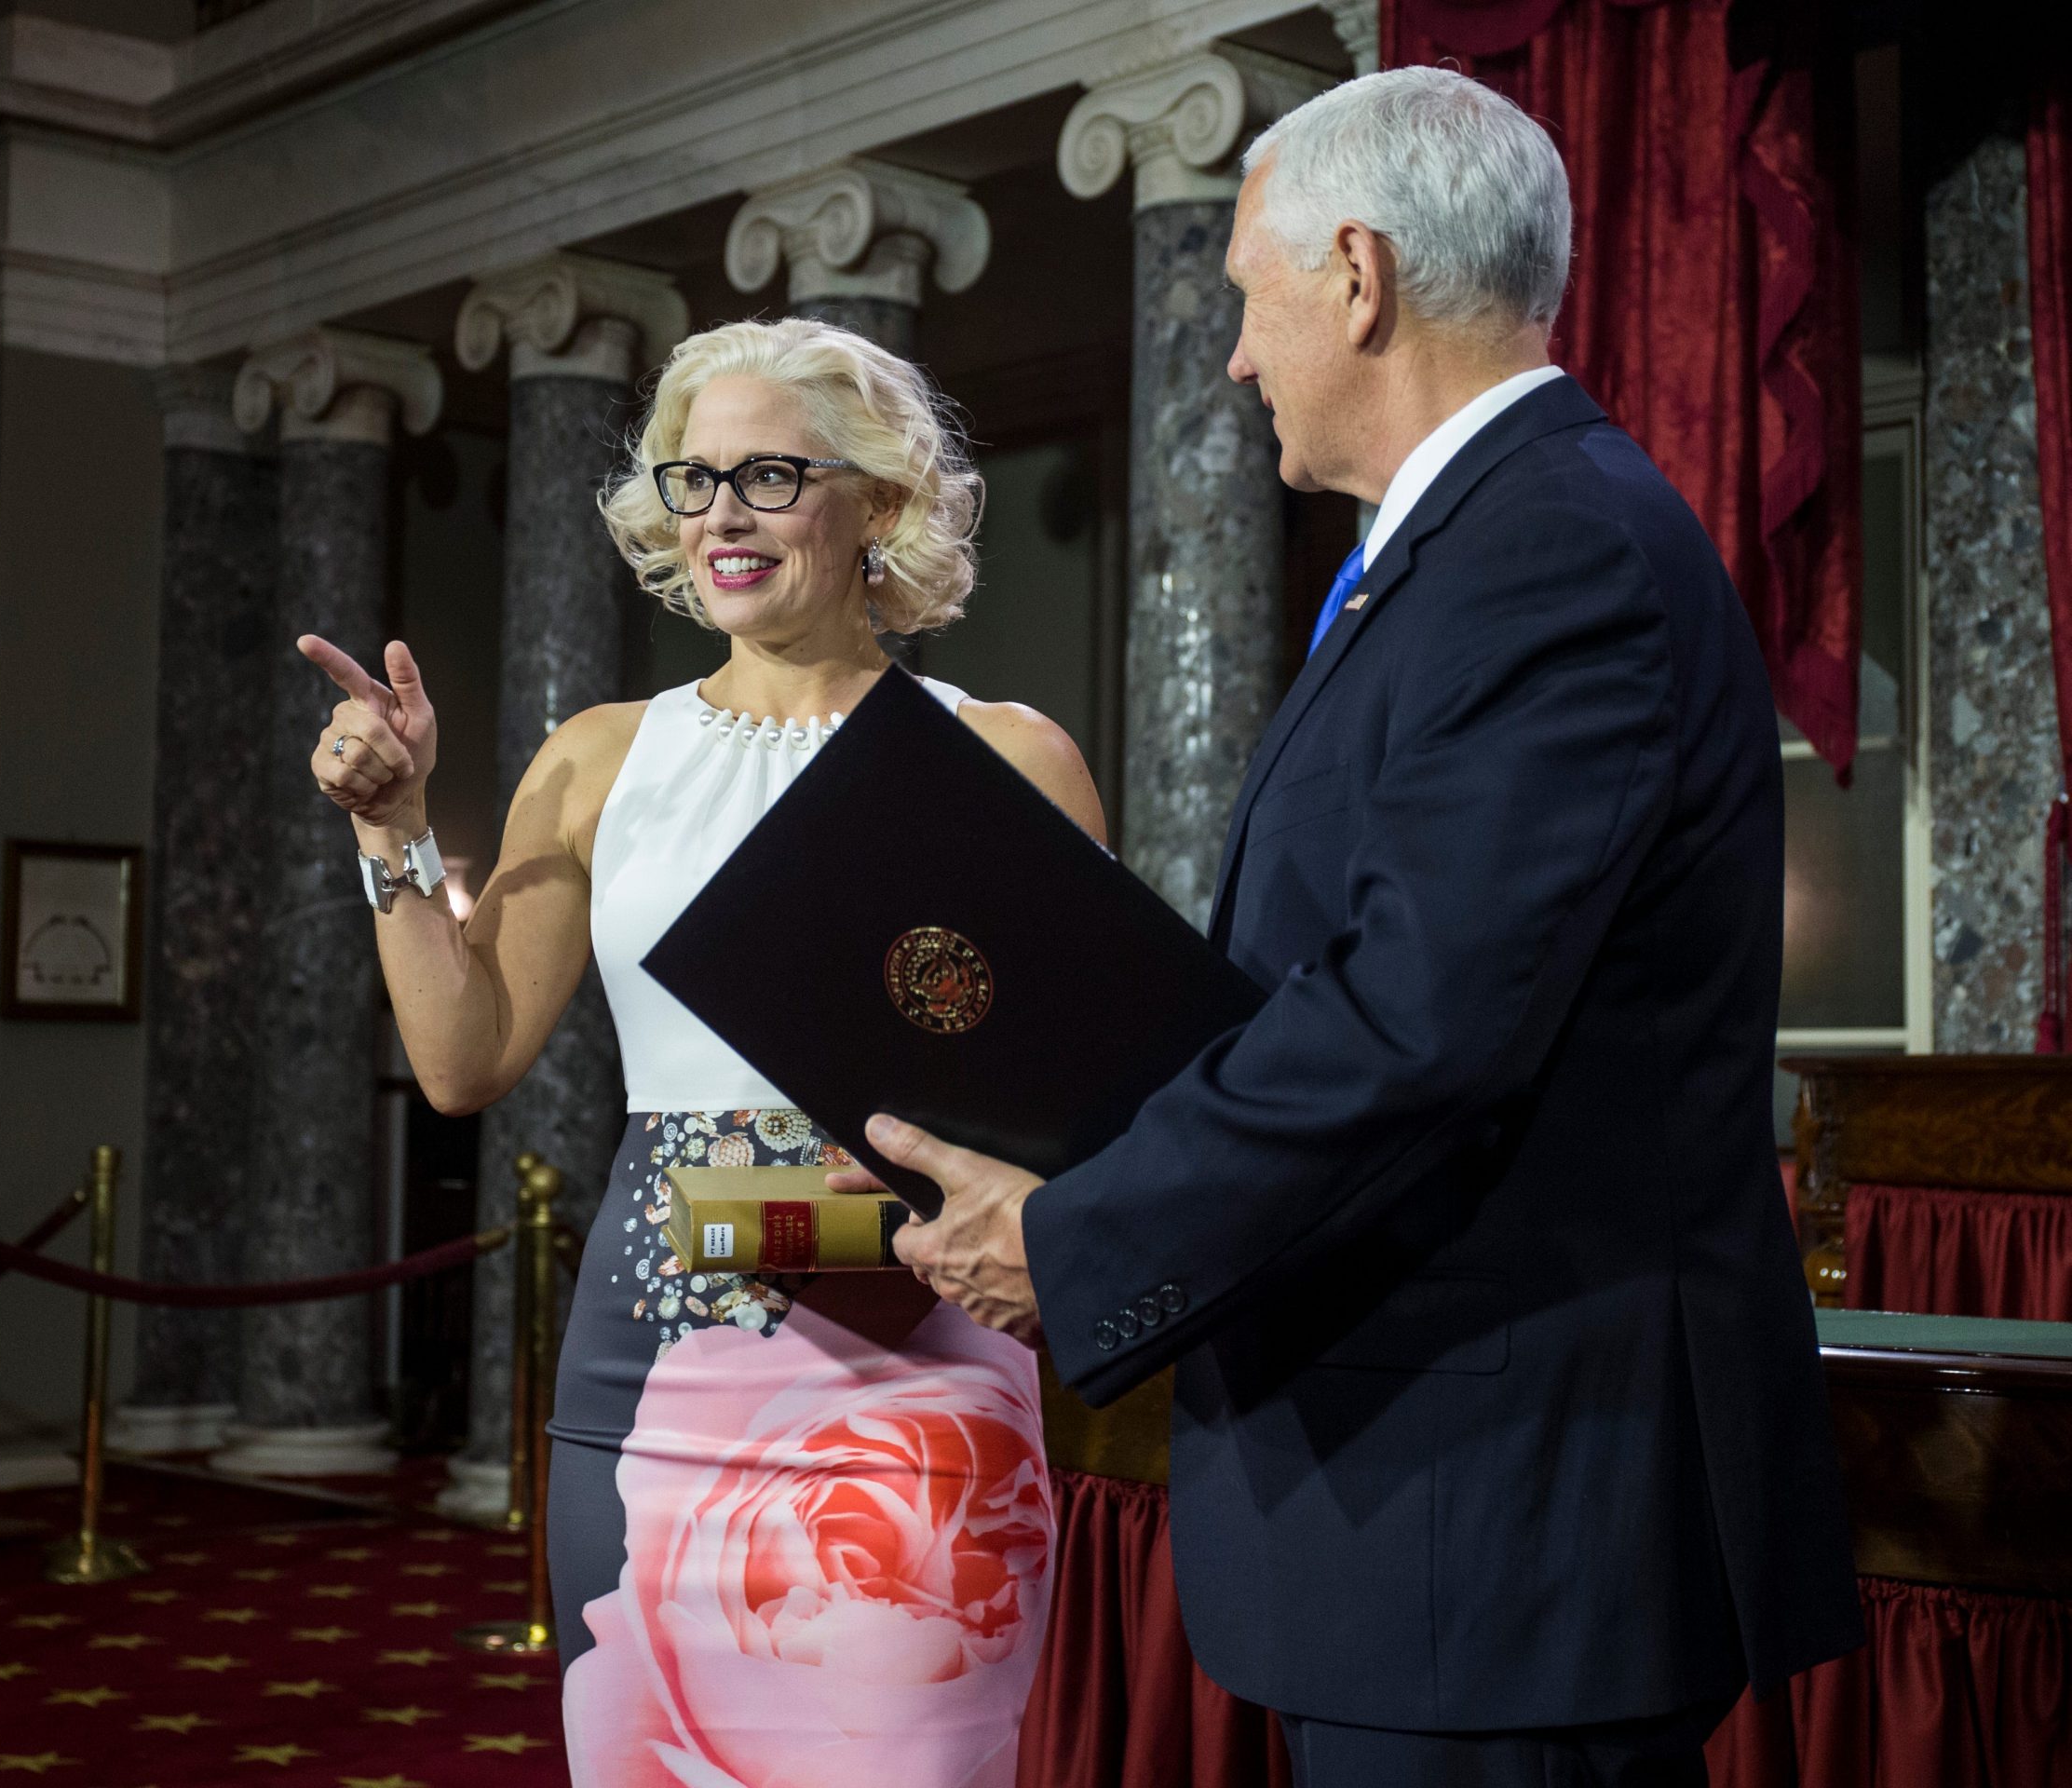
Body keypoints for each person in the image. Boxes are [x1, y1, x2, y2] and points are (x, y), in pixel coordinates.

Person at [849, 67, 1864, 1788]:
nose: (1234, 354)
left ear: (1360, 275)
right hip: (1446, 1512)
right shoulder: (1477, 548)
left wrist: (1080, 1236)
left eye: (1250, 294)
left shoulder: (1551, 550)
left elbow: (1418, 1021)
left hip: (1503, 1523)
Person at [298, 316, 1104, 1785]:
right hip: (648, 1384)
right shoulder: (600, 756)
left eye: (770, 474)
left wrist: (798, 1214)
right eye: (692, 478)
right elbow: (465, 1061)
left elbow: (1066, 1110)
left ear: (881, 502)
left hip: (913, 1383)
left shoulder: (1005, 756)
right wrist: (394, 835)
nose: (721, 514)